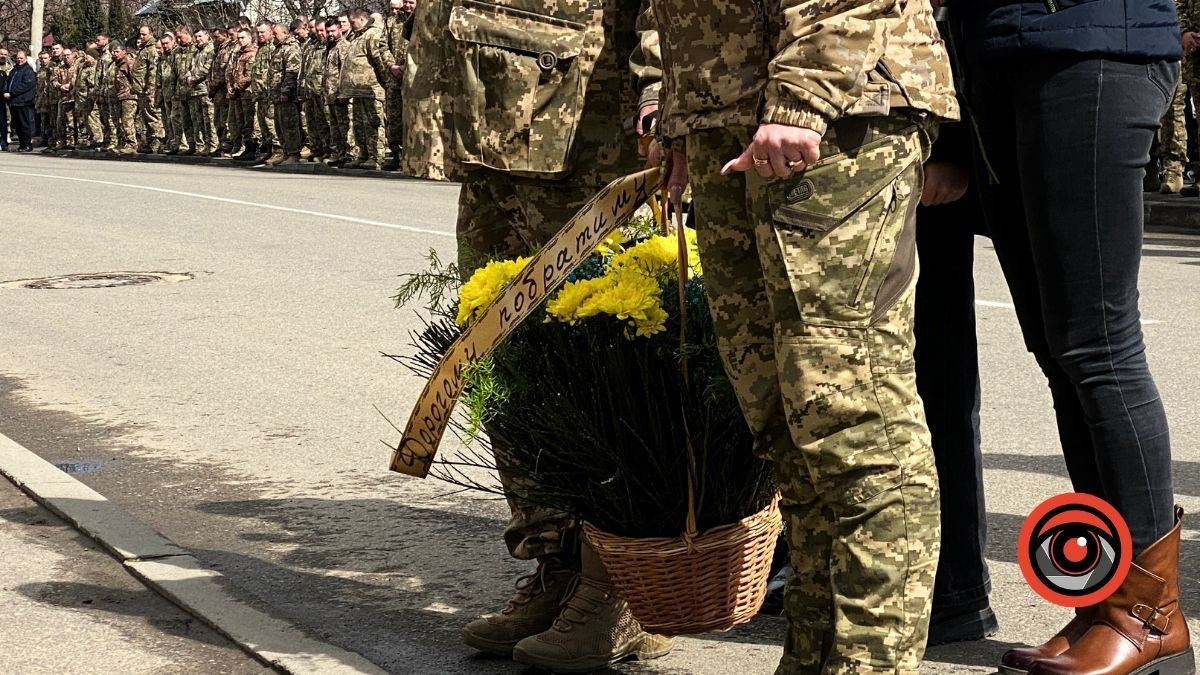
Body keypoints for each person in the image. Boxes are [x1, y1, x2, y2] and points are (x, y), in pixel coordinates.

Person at [647, 0, 957, 672]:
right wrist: (680, 121)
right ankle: (814, 657)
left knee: (852, 418)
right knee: (785, 426)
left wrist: (802, 96)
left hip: (837, 105)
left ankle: (872, 663)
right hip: (725, 114)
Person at [405, 0, 673, 671]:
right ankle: (557, 564)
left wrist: (662, 91)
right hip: (494, 127)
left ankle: (617, 587)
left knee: (598, 359)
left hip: (584, 131)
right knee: (503, 356)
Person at [958, 1, 1194, 673]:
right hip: (1001, 50)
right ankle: (1105, 597)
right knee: (1058, 349)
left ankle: (1151, 614)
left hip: (1094, 44)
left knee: (1099, 346)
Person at [338, 8, 393, 170]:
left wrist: (386, 83)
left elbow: (379, 59)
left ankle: (376, 156)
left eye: (353, 22)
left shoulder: (372, 34)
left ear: (362, 19)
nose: (351, 25)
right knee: (359, 125)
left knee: (374, 123)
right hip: (358, 91)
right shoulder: (359, 36)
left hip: (372, 88)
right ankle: (363, 154)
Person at [382, 0, 414, 170]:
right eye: (406, 2)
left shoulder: (422, 21)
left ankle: (413, 157)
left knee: (412, 117)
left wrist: (409, 66)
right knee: (394, 117)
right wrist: (391, 65)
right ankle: (397, 155)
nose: (408, 6)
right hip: (394, 77)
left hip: (415, 77)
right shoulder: (392, 22)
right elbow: (382, 46)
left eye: (412, 2)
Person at [267, 20, 303, 165]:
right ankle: (286, 152)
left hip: (287, 96)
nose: (273, 37)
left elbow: (291, 72)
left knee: (290, 125)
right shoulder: (279, 48)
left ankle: (294, 154)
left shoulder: (291, 48)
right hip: (277, 95)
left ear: (285, 33)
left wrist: (286, 91)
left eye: (276, 34)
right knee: (280, 125)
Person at [323, 17, 353, 168]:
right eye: (328, 32)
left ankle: (349, 154)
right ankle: (338, 153)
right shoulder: (329, 47)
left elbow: (346, 71)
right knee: (334, 126)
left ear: (340, 29)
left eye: (333, 31)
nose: (330, 34)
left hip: (340, 94)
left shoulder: (344, 46)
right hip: (330, 94)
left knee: (344, 125)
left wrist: (344, 92)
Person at [300, 19, 329, 163]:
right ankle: (317, 150)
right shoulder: (313, 46)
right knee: (313, 123)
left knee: (325, 123)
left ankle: (329, 150)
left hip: (323, 91)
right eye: (317, 30)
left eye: (322, 30)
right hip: (310, 90)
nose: (319, 33)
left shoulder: (329, 47)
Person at [227, 27, 259, 161]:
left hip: (247, 93)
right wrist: (230, 86)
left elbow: (249, 75)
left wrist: (237, 86)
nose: (240, 40)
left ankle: (253, 148)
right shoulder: (238, 54)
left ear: (250, 38)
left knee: (250, 122)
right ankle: (246, 147)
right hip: (237, 94)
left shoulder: (253, 53)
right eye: (238, 38)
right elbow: (231, 72)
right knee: (240, 122)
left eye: (243, 38)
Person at [133, 26, 165, 153]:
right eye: (140, 34)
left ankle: (158, 142)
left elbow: (153, 71)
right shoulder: (143, 49)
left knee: (153, 117)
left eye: (144, 34)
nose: (141, 37)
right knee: (145, 118)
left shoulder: (151, 50)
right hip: (140, 90)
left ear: (151, 34)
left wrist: (151, 91)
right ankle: (148, 143)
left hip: (148, 91)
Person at [185, 29, 217, 156]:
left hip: (205, 90)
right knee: (199, 121)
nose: (197, 39)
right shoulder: (195, 52)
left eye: (200, 36)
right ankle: (204, 145)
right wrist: (188, 77)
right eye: (196, 36)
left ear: (207, 36)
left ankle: (213, 146)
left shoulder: (211, 50)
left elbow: (207, 69)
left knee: (209, 120)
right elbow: (189, 68)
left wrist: (194, 78)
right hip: (194, 91)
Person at [251, 22, 278, 164]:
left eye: (263, 32)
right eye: (258, 32)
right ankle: (268, 150)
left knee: (271, 122)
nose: (260, 35)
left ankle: (278, 151)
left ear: (270, 32)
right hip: (260, 94)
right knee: (263, 125)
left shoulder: (273, 47)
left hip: (269, 94)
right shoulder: (260, 49)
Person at [4, 50, 37, 152]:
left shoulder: (28, 71)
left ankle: (27, 144)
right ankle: (22, 144)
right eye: (18, 58)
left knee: (24, 124)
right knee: (17, 125)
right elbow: (8, 81)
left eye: (21, 58)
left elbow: (25, 86)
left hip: (23, 101)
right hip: (14, 102)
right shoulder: (14, 70)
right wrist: (5, 91)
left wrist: (12, 93)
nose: (19, 60)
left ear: (26, 58)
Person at [210, 28, 235, 155]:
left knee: (225, 120)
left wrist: (212, 85)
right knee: (218, 121)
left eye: (217, 37)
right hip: (217, 92)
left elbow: (223, 72)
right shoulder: (218, 50)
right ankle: (220, 144)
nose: (215, 40)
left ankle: (227, 145)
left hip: (223, 89)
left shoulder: (228, 50)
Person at [111, 43, 139, 155]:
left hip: (129, 96)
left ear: (123, 52)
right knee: (122, 121)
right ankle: (124, 142)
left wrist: (135, 91)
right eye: (113, 52)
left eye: (117, 51)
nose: (114, 54)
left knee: (128, 120)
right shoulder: (118, 64)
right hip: (121, 96)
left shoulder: (128, 62)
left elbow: (135, 77)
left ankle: (132, 144)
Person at [73, 47, 102, 149]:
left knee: (92, 119)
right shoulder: (83, 67)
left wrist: (91, 97)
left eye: (88, 55)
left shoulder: (93, 68)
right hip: (81, 99)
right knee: (85, 120)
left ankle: (98, 139)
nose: (86, 57)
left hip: (89, 99)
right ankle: (91, 139)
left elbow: (92, 85)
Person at [0, 48, 11, 150]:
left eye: (5, 54)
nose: (3, 56)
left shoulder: (11, 68)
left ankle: (4, 142)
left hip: (4, 99)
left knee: (4, 122)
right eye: (1, 54)